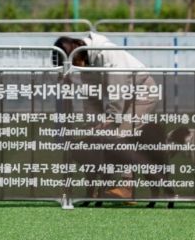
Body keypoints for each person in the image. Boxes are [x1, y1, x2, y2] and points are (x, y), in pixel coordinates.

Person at [53, 32, 158, 201]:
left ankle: (127, 187)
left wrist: (112, 117)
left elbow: (118, 88)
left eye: (72, 63)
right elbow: (91, 97)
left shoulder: (107, 53)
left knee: (119, 136)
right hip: (120, 96)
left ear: (78, 49)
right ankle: (102, 187)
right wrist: (93, 125)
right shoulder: (85, 61)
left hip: (142, 92)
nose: (74, 67)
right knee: (100, 137)